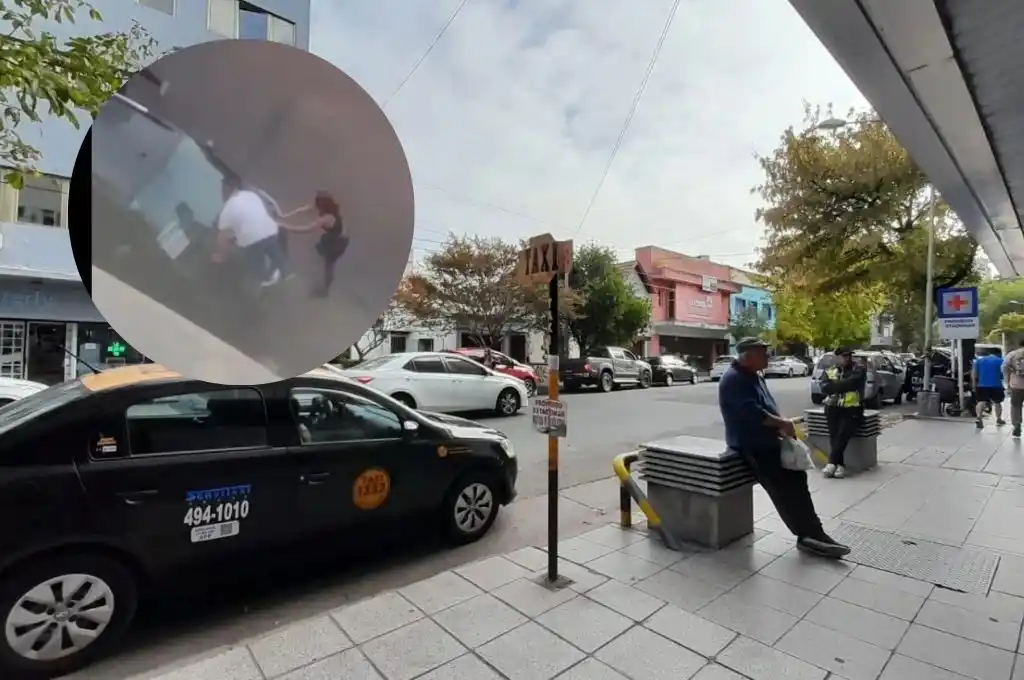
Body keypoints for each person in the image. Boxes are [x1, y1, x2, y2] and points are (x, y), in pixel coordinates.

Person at [719, 337, 850, 558]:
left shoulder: (753, 375)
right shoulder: (734, 379)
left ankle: (813, 531)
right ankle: (808, 535)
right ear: (748, 356)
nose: (768, 357)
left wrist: (781, 424)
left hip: (769, 440)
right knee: (785, 488)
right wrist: (782, 423)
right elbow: (751, 413)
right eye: (763, 353)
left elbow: (767, 406)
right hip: (753, 445)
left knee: (797, 478)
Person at [214, 176, 290, 288]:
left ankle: (265, 281)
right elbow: (267, 208)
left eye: (223, 188)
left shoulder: (227, 210)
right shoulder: (250, 195)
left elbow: (222, 237)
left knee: (253, 262)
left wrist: (221, 255)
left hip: (252, 243)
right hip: (271, 232)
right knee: (275, 255)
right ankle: (284, 274)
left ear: (227, 190)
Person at [278, 191, 347, 297]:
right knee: (323, 260)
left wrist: (287, 227)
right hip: (334, 237)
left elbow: (307, 229)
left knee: (327, 264)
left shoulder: (326, 219)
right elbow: (304, 209)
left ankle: (324, 289)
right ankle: (323, 283)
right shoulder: (330, 209)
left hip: (335, 242)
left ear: (322, 205)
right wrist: (286, 215)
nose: (314, 204)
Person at [818, 347, 866, 479]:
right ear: (837, 358)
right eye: (844, 356)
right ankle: (839, 465)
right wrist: (839, 386)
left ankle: (831, 462)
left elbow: (852, 383)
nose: (847, 358)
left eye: (849, 356)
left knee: (842, 436)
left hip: (852, 408)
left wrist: (834, 386)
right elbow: (824, 387)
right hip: (832, 407)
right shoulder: (830, 370)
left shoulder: (859, 369)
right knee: (834, 437)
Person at [1003, 339, 1024, 438]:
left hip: (1016, 385)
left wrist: (1007, 381)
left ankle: (1016, 424)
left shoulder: (1013, 354)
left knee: (1016, 406)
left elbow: (1004, 367)